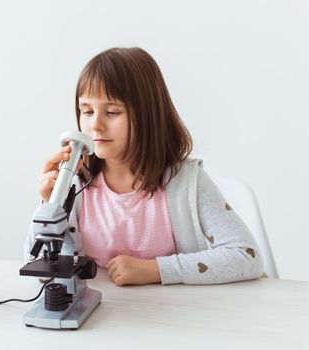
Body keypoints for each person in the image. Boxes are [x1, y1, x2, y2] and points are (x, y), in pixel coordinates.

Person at [27, 47, 263, 286]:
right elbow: (38, 269)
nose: (95, 125)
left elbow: (247, 256)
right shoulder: (75, 183)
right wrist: (51, 204)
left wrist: (155, 270)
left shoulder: (187, 181)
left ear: (147, 116)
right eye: (86, 111)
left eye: (112, 112)